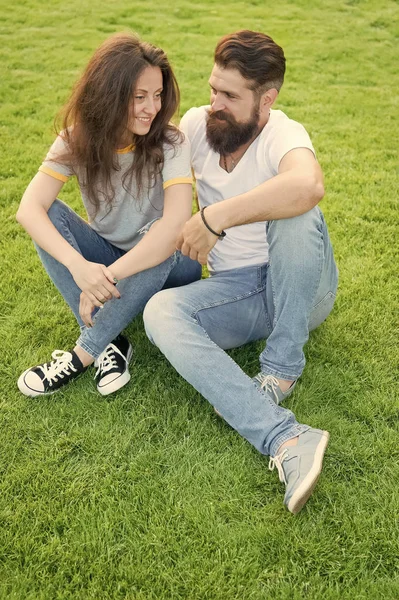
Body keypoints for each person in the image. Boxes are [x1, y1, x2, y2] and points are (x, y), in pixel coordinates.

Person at [143, 30, 339, 514]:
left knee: (296, 211)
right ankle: (288, 438)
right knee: (160, 313)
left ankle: (281, 369)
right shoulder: (196, 126)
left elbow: (308, 184)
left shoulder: (284, 133)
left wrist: (215, 217)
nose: (216, 104)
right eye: (213, 89)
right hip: (238, 293)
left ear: (266, 100)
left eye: (230, 96)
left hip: (301, 287)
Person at [16, 33, 201, 398]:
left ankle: (85, 352)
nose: (152, 107)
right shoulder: (76, 140)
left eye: (158, 94)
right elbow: (28, 210)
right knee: (48, 213)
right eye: (139, 96)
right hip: (109, 256)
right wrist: (78, 265)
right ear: (110, 95)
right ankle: (113, 341)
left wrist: (107, 276)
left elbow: (175, 227)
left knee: (160, 233)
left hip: (171, 268)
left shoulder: (172, 142)